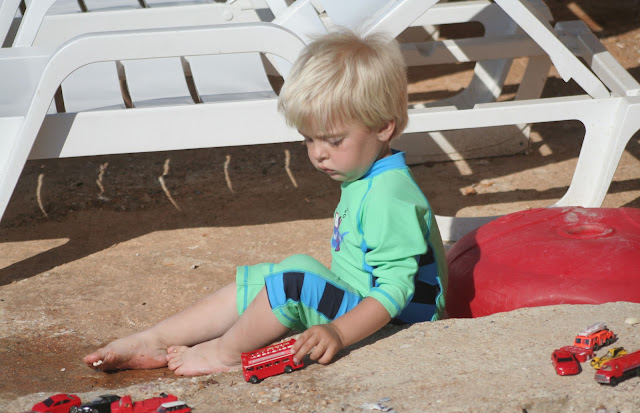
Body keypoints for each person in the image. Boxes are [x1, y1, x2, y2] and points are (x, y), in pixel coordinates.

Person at [83, 29, 447, 376]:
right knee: (275, 274)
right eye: (309, 139)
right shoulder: (365, 172)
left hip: (394, 322)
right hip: (361, 301)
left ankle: (223, 353)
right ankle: (156, 340)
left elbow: (396, 290)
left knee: (292, 281)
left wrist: (338, 332)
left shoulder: (388, 194)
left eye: (334, 141)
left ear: (384, 127)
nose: (319, 154)